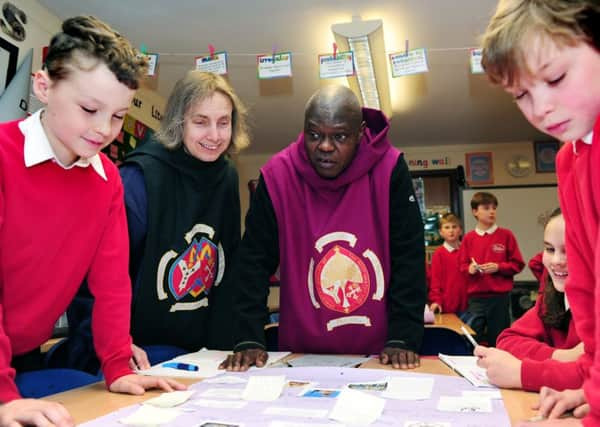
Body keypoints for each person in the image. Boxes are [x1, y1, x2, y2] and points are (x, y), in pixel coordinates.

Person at [0, 16, 184, 426]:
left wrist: (118, 364)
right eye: (89, 109)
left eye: (118, 116)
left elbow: (113, 283)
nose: (104, 130)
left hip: (21, 351)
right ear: (43, 86)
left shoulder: (107, 183)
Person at [220, 85, 426, 371]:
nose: (325, 147)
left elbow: (409, 258)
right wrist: (248, 338)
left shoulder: (390, 168)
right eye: (314, 135)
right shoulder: (278, 175)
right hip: (299, 354)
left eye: (340, 136)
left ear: (360, 133)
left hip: (381, 355)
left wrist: (403, 337)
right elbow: (253, 262)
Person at [63, 71, 249, 373]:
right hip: (136, 353)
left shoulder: (227, 176)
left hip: (201, 353)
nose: (215, 135)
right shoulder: (138, 180)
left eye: (223, 122)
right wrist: (111, 344)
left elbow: (226, 268)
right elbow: (94, 278)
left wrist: (233, 341)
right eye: (200, 122)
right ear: (179, 122)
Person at [480, 0, 600, 424]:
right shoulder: (570, 159)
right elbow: (586, 296)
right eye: (521, 95)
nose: (540, 108)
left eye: (554, 78)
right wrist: (590, 386)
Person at [475, 209, 585, 392]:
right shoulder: (553, 296)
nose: (557, 260)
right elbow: (508, 339)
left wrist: (522, 373)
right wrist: (562, 357)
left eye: (570, 250)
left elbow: (591, 374)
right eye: (550, 249)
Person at [459, 191, 525, 346]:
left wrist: (498, 267)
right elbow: (461, 266)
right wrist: (470, 269)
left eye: (494, 208)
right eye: (487, 208)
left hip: (499, 298)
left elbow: (518, 264)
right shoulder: (469, 238)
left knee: (499, 339)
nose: (492, 211)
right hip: (476, 299)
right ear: (475, 211)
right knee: (472, 338)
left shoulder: (506, 235)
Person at [428, 213, 468, 315]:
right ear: (441, 232)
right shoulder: (439, 254)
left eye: (454, 227)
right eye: (447, 227)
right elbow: (435, 282)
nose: (451, 230)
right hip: (447, 307)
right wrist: (436, 301)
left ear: (460, 230)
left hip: (469, 306)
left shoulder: (468, 251)